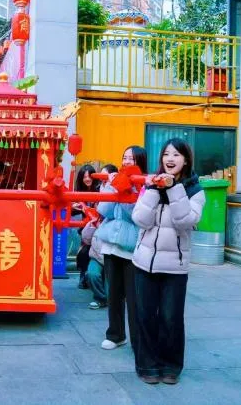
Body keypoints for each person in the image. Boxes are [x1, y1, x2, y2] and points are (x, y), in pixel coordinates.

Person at [131, 138, 205, 385]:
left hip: (175, 266)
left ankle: (171, 366)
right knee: (145, 316)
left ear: (186, 160)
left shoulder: (195, 190)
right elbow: (140, 219)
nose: (170, 159)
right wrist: (154, 190)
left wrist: (173, 189)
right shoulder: (150, 185)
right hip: (144, 263)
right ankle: (147, 365)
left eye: (176, 155)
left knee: (171, 318)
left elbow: (185, 221)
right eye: (166, 154)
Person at [94, 146, 147, 351]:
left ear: (140, 161)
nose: (126, 162)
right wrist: (111, 186)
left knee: (134, 298)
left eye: (131, 158)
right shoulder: (116, 180)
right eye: (124, 157)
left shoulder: (145, 185)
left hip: (132, 248)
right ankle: (115, 335)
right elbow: (104, 210)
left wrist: (126, 190)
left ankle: (138, 340)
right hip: (110, 246)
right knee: (113, 294)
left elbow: (136, 217)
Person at [82, 164, 118, 308]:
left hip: (112, 253)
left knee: (113, 286)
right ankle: (101, 298)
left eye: (105, 178)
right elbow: (86, 238)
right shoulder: (98, 193)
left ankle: (111, 298)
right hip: (97, 252)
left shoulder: (117, 201)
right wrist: (92, 225)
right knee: (92, 274)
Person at [72, 164, 101, 289]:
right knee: (83, 253)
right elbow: (72, 212)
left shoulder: (100, 190)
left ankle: (92, 278)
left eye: (89, 176)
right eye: (84, 177)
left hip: (99, 227)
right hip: (86, 229)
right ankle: (83, 276)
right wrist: (73, 207)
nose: (87, 179)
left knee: (95, 254)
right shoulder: (79, 192)